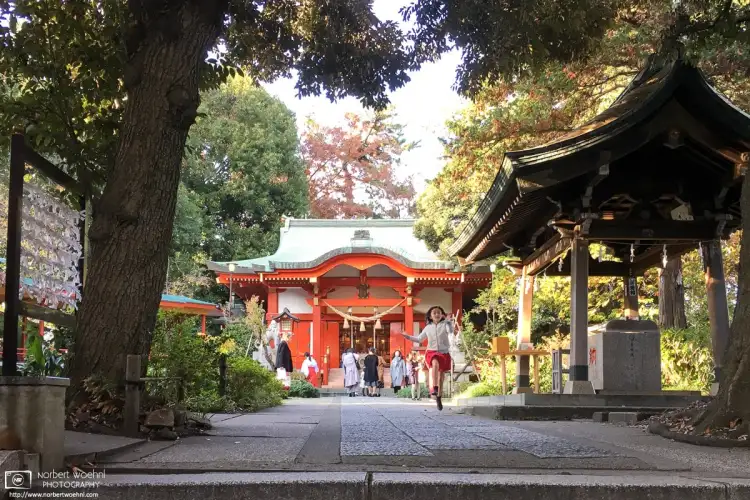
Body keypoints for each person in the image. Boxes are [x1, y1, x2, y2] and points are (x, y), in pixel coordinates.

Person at [401, 306, 457, 410]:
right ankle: (434, 388)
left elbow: (451, 332)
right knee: (434, 364)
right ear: (430, 316)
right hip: (432, 351)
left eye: (438, 312)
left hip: (444, 352)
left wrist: (449, 322)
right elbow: (419, 339)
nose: (436, 314)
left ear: (442, 315)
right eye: (434, 313)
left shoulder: (445, 324)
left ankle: (439, 396)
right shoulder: (428, 327)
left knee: (441, 376)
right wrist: (408, 337)